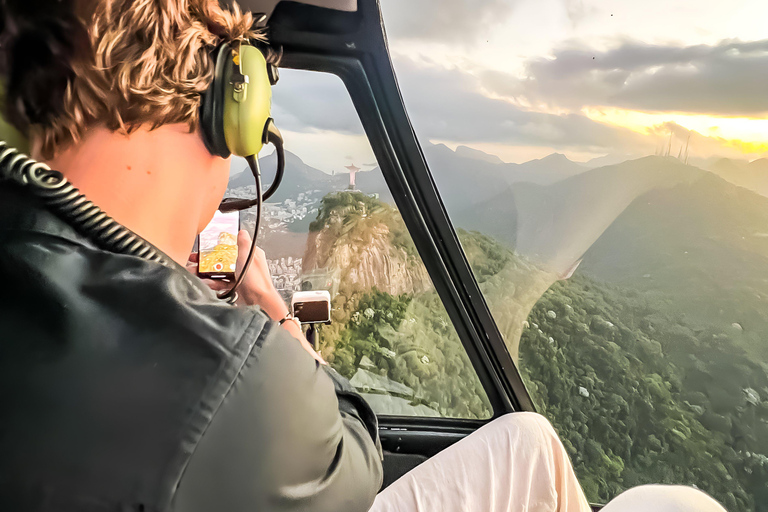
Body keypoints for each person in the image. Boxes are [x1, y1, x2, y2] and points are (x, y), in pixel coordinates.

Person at [0, 1, 729, 511]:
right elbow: (351, 451)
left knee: (529, 440)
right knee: (677, 502)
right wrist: (265, 307)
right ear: (229, 106)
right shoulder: (225, 375)